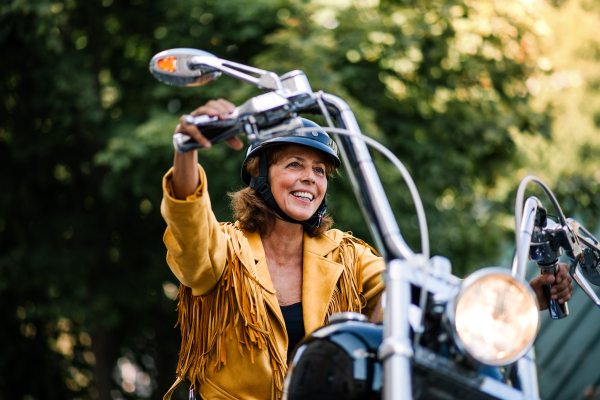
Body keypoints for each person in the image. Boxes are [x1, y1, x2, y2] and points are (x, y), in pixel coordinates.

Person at [160, 99, 573, 400]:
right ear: (260, 176)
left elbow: (425, 294)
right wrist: (186, 151)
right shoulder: (226, 247)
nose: (310, 179)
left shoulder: (346, 254)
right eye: (294, 165)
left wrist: (523, 296)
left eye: (319, 171)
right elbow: (190, 236)